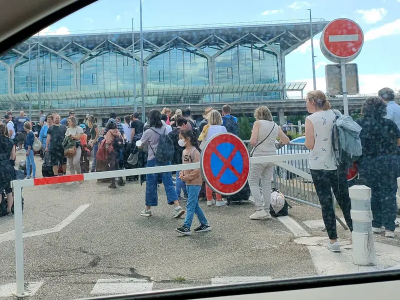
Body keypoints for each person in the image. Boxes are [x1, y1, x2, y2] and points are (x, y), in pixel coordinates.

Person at [304, 90, 353, 252]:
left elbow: (310, 144)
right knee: (345, 201)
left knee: (326, 204)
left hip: (319, 166)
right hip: (337, 165)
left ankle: (334, 241)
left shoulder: (311, 119)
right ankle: (356, 235)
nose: (305, 104)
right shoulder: (335, 114)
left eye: (306, 101)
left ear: (312, 102)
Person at [357, 97, 400, 238]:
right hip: (389, 163)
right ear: (383, 109)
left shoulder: (360, 124)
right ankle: (390, 228)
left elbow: (356, 146)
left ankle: (376, 223)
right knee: (389, 194)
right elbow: (398, 142)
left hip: (369, 164)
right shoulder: (390, 124)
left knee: (373, 194)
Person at [138, 109, 185, 218]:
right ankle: (177, 207)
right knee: (168, 183)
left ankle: (147, 209)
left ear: (150, 119)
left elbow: (140, 144)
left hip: (152, 160)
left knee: (151, 185)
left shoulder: (148, 132)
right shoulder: (165, 129)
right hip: (164, 159)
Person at [248, 106, 290, 220]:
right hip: (271, 157)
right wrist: (276, 143)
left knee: (253, 181)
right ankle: (266, 210)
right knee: (266, 183)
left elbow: (252, 141)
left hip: (259, 157)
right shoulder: (275, 126)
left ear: (258, 115)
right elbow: (286, 140)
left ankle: (259, 209)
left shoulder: (258, 123)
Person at [176, 130, 211, 235]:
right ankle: (204, 224)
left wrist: (187, 177)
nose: (180, 140)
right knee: (194, 205)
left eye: (181, 138)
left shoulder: (195, 152)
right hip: (188, 182)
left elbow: (197, 169)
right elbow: (185, 166)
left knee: (190, 205)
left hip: (195, 182)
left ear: (188, 139)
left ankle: (187, 226)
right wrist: (182, 174)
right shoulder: (184, 152)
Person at [198, 109, 227, 206]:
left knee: (208, 178)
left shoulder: (206, 128)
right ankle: (219, 199)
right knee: (218, 177)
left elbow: (202, 143)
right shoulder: (222, 129)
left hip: (208, 155)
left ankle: (209, 199)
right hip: (219, 157)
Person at [169, 118, 189, 200]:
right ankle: (177, 194)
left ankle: (185, 192)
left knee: (180, 173)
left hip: (174, 155)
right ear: (184, 124)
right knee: (180, 175)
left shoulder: (171, 133)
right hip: (183, 155)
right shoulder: (183, 133)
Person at [0, 123, 16, 215]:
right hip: (8, 167)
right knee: (9, 190)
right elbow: (13, 156)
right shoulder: (10, 141)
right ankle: (9, 210)